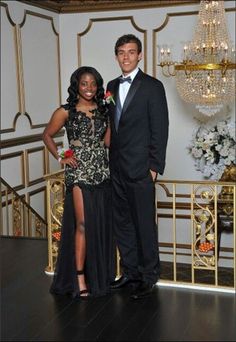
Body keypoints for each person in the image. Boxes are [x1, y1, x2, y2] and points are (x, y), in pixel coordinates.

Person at [43, 66, 115, 298]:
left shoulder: (104, 110)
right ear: (77, 85)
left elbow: (107, 143)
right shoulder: (65, 111)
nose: (89, 88)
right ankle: (79, 277)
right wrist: (63, 156)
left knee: (99, 223)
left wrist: (113, 114)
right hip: (79, 173)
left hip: (102, 172)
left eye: (93, 84)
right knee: (83, 224)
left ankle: (100, 276)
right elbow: (46, 135)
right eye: (84, 83)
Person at [106, 34, 169, 299]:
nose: (126, 57)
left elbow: (161, 128)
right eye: (121, 52)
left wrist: (154, 168)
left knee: (144, 224)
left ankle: (148, 275)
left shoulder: (152, 86)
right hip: (116, 168)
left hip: (142, 170)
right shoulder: (109, 86)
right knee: (123, 223)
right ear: (117, 55)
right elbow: (113, 126)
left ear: (140, 55)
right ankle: (130, 272)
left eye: (131, 52)